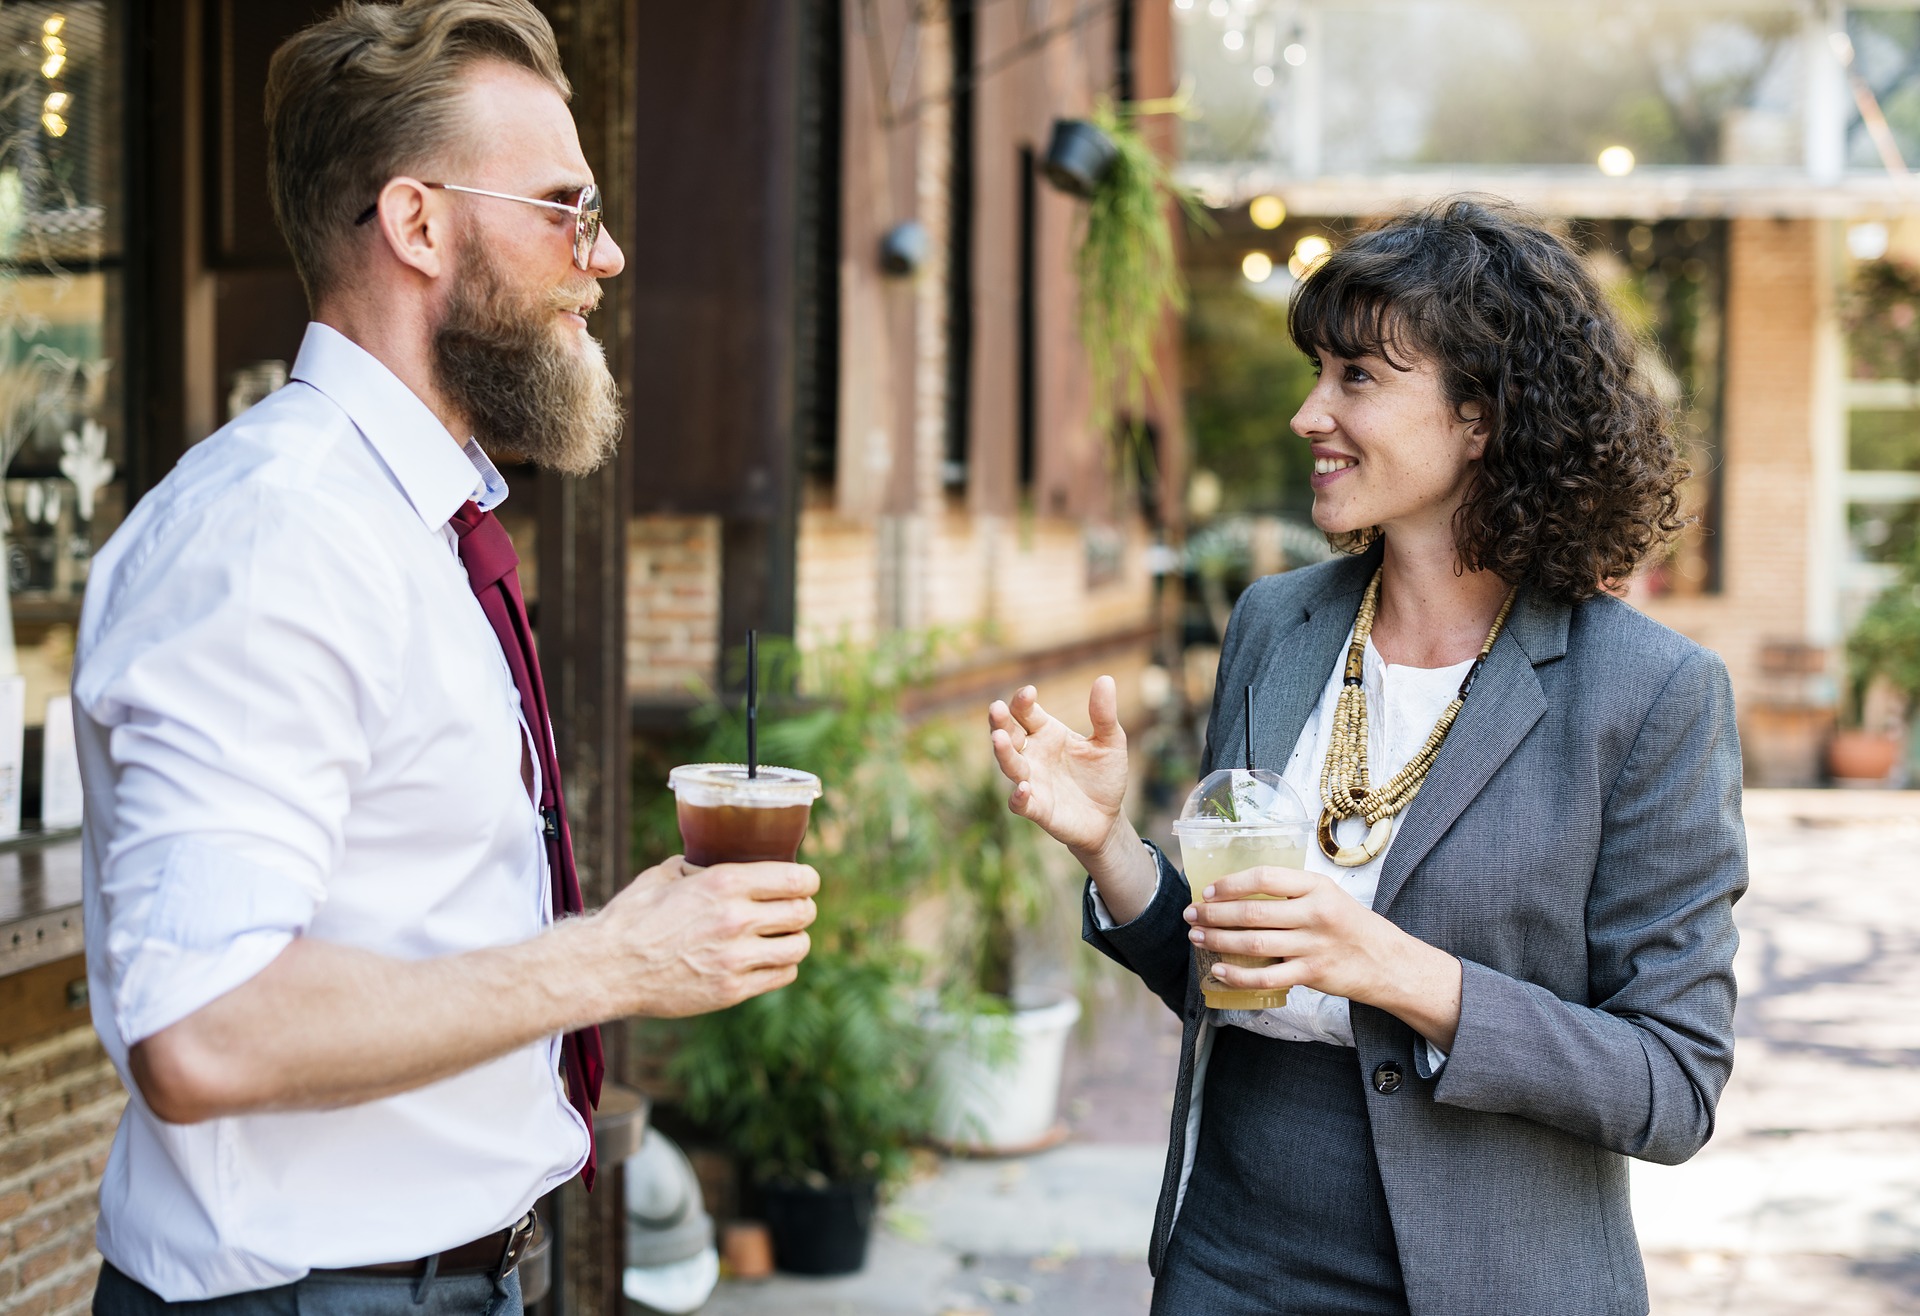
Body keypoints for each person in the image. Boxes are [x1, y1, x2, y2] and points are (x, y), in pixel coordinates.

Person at [75, 3, 817, 1312]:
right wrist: (614, 958)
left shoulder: (411, 524)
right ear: (419, 225)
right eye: (567, 211)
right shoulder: (277, 536)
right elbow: (203, 1029)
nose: (611, 256)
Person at [988, 197, 1746, 1315]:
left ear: (1481, 416)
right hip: (1230, 1251)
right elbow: (1221, 972)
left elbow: (1673, 1082)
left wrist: (1392, 967)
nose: (1309, 413)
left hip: (1492, 1274)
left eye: (1356, 377)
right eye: (1317, 372)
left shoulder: (1650, 693)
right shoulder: (1274, 625)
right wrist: (1110, 844)